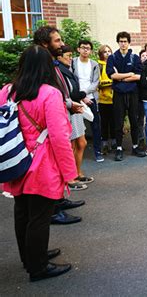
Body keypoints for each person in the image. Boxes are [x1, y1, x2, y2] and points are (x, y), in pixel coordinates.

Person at [0, 45, 77, 281]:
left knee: (22, 212)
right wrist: (69, 172)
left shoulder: (7, 91)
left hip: (16, 158)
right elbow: (59, 136)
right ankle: (38, 267)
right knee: (40, 217)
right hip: (41, 162)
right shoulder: (49, 94)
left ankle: (30, 257)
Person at [32, 27, 83, 225]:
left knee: (57, 165)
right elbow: (48, 95)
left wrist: (69, 104)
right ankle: (53, 210)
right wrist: (68, 105)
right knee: (52, 166)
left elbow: (60, 91)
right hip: (48, 126)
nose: (62, 44)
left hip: (62, 113)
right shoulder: (42, 65)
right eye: (57, 41)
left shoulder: (53, 63)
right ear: (45, 44)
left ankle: (59, 201)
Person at [57, 45, 93, 191]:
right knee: (71, 145)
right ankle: (70, 178)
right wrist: (80, 96)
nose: (71, 58)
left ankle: (77, 172)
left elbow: (73, 90)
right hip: (68, 110)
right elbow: (64, 94)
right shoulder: (58, 71)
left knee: (82, 142)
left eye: (72, 56)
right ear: (59, 57)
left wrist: (80, 96)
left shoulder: (68, 70)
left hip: (76, 109)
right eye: (68, 56)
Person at [106, 31, 145, 161]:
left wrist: (121, 77)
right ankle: (119, 148)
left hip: (132, 93)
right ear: (118, 42)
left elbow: (139, 76)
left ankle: (135, 146)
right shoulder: (112, 58)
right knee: (118, 121)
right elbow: (112, 75)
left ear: (129, 43)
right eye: (121, 41)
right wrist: (129, 74)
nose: (123, 44)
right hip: (118, 94)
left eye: (125, 41)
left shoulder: (134, 57)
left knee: (134, 120)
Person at [72, 40, 103, 162]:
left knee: (96, 125)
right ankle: (75, 153)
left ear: (91, 51)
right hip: (76, 99)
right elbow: (71, 81)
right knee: (75, 126)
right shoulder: (73, 62)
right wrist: (80, 96)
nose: (85, 50)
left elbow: (96, 82)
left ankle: (97, 151)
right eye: (83, 47)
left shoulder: (94, 64)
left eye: (88, 48)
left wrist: (85, 94)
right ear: (78, 49)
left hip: (90, 98)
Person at [97, 45, 116, 154]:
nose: (107, 53)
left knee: (114, 122)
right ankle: (104, 143)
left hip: (114, 99)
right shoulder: (99, 65)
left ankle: (114, 141)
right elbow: (98, 83)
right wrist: (110, 83)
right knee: (104, 122)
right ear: (101, 53)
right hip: (102, 99)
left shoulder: (113, 64)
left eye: (109, 51)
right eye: (105, 52)